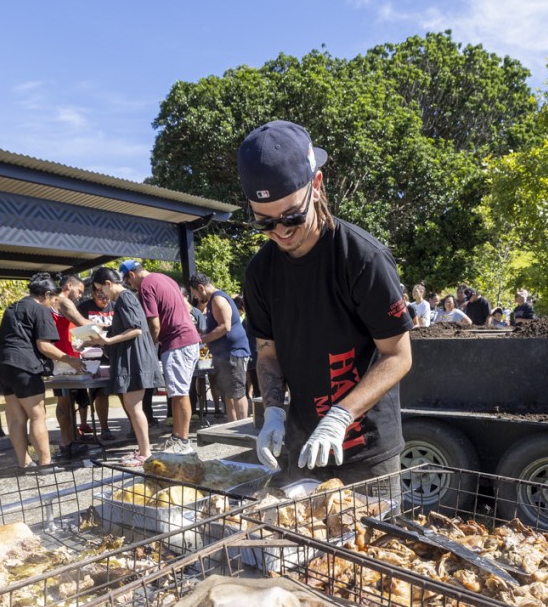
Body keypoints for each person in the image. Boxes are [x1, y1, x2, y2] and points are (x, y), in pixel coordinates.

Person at [237, 119, 414, 482]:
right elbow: (268, 352)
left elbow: (398, 355)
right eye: (264, 224)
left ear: (316, 185)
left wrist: (339, 416)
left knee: (372, 540)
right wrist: (272, 413)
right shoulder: (259, 273)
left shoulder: (362, 258)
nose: (281, 232)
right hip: (301, 447)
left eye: (292, 216)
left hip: (367, 450)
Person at [0, 274, 86, 469]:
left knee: (16, 417)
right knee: (37, 416)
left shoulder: (13, 307)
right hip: (24, 366)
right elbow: (44, 346)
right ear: (47, 294)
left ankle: (23, 462)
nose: (54, 303)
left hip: (1, 365)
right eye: (54, 299)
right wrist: (71, 360)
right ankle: (45, 463)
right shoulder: (41, 310)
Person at [119, 260, 201, 453]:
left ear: (131, 275)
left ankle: (183, 440)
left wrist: (151, 346)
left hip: (176, 341)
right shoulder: (164, 278)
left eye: (129, 283)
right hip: (187, 339)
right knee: (176, 393)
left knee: (180, 394)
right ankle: (177, 437)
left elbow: (154, 324)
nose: (131, 287)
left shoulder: (146, 286)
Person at [84, 267, 162, 468]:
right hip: (132, 357)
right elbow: (127, 327)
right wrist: (101, 335)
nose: (102, 294)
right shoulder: (125, 299)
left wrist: (109, 340)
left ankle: (145, 453)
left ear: (108, 284)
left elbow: (135, 329)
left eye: (101, 289)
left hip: (135, 359)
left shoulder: (125, 298)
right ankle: (142, 450)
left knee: (135, 408)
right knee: (132, 407)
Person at [43, 273, 93, 461]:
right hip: (62, 359)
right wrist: (109, 328)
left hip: (67, 356)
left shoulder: (55, 304)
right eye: (79, 291)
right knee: (64, 400)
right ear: (69, 286)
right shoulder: (63, 302)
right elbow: (83, 323)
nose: (80, 295)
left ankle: (72, 438)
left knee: (70, 399)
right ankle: (66, 441)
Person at [190, 272, 251, 423]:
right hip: (225, 355)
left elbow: (225, 326)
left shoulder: (217, 299)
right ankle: (232, 428)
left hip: (233, 353)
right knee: (228, 394)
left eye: (195, 294)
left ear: (201, 287)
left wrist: (201, 339)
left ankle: (243, 428)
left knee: (237, 393)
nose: (196, 298)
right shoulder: (213, 300)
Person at [77, 282, 116, 439]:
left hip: (113, 353)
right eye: (100, 298)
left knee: (121, 392)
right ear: (93, 293)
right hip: (92, 356)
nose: (104, 301)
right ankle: (103, 428)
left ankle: (133, 426)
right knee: (99, 393)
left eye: (106, 298)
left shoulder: (115, 306)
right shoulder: (84, 308)